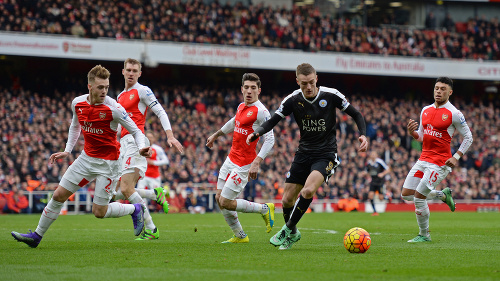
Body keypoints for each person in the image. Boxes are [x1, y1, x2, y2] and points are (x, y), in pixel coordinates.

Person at [11, 65, 151, 248]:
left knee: (99, 212)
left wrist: (141, 147)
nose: (104, 91)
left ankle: (135, 208)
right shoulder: (77, 103)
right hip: (86, 158)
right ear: (90, 86)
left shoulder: (114, 108)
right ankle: (36, 236)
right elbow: (75, 126)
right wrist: (68, 150)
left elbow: (136, 130)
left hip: (108, 163)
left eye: (106, 87)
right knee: (59, 195)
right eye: (100, 87)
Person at [247, 63, 368, 250]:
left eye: (311, 82)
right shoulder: (292, 100)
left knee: (307, 191)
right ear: (297, 82)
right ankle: (293, 234)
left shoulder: (331, 95)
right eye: (304, 84)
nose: (309, 87)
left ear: (316, 78)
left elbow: (356, 113)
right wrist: (257, 133)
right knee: (287, 199)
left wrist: (362, 134)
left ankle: (286, 231)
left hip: (326, 154)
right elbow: (273, 120)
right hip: (303, 153)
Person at [114, 58, 184, 241]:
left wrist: (170, 135)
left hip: (135, 142)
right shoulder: (120, 96)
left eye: (134, 70)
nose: (130, 73)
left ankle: (151, 228)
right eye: (128, 70)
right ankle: (154, 194)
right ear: (123, 71)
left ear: (139, 73)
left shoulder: (143, 90)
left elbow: (161, 112)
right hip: (122, 143)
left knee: (127, 189)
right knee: (116, 193)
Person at [206, 73, 275, 244]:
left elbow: (270, 139)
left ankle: (264, 208)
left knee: (226, 202)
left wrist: (257, 162)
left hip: (244, 163)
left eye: (253, 88)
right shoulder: (241, 106)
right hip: (230, 159)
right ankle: (240, 235)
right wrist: (216, 134)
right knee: (218, 199)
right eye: (246, 87)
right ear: (241, 89)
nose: (249, 91)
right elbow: (234, 122)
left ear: (259, 90)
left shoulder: (261, 112)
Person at [403, 77, 473, 243]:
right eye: (436, 88)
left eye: (442, 89)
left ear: (450, 92)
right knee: (406, 195)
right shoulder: (425, 110)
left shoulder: (454, 113)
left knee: (419, 197)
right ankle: (442, 195)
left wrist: (456, 157)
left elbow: (468, 137)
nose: (438, 91)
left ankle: (424, 235)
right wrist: (412, 133)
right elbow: (421, 136)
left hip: (440, 163)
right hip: (423, 159)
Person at [136, 131, 170, 213]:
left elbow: (166, 161)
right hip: (143, 176)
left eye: (151, 137)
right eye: (148, 137)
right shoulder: (141, 148)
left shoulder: (157, 149)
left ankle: (165, 191)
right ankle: (144, 211)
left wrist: (154, 162)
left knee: (156, 195)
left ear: (154, 138)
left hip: (154, 177)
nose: (149, 139)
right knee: (140, 193)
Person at [364, 151, 390, 216]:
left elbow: (388, 169)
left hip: (380, 182)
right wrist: (366, 175)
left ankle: (387, 196)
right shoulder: (369, 163)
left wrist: (382, 174)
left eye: (374, 154)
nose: (372, 156)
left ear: (376, 155)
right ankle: (375, 211)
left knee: (381, 198)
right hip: (373, 181)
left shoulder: (380, 162)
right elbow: (367, 171)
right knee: (370, 196)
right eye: (371, 154)